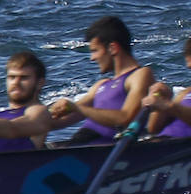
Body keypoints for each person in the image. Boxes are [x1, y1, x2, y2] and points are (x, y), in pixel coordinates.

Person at [49, 16, 157, 145]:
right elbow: (60, 120)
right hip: (79, 143)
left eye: (95, 51)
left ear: (112, 48)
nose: (92, 58)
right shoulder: (101, 85)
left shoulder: (140, 75)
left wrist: (77, 108)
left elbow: (126, 118)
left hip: (101, 150)